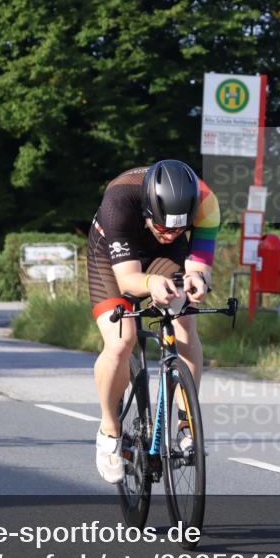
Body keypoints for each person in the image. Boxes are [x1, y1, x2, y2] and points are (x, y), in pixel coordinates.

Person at [87, 160, 220, 483]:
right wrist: (149, 285)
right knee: (121, 340)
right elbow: (129, 279)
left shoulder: (206, 202)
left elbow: (200, 262)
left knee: (184, 320)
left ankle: (187, 425)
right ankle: (109, 431)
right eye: (163, 227)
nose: (170, 233)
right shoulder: (119, 201)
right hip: (111, 256)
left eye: (179, 228)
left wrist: (197, 279)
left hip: (165, 257)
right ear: (148, 209)